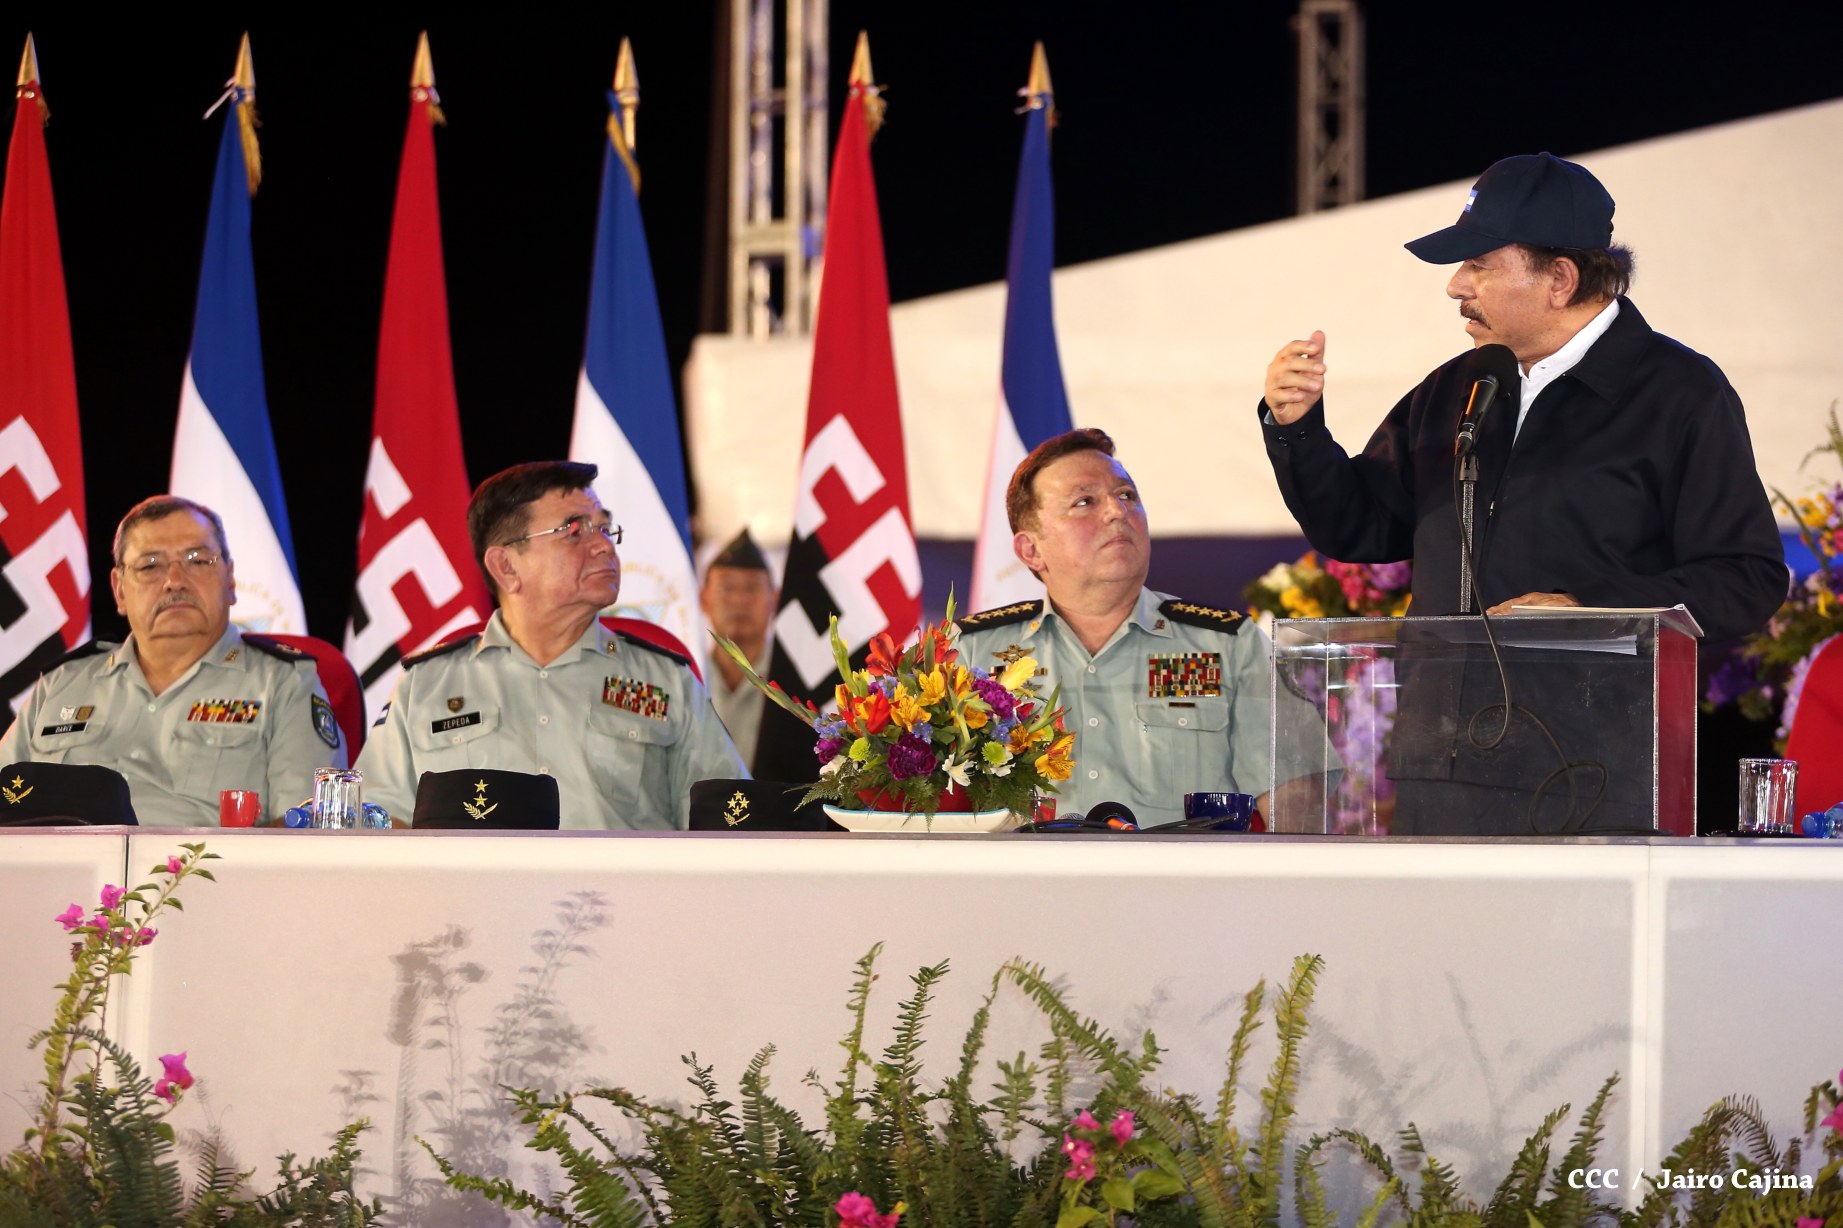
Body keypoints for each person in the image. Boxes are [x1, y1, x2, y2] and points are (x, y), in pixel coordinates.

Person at [1259, 152, 1786, 834]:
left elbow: (1746, 577)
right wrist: (1298, 430)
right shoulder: (1455, 387)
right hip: (1438, 769)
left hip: (1591, 772)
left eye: (1478, 264)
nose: (1455, 285)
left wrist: (1588, 609)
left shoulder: (1679, 393)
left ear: (1559, 279)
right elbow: (1359, 527)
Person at [356, 461, 745, 830]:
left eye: (605, 528)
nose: (604, 546)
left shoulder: (666, 681)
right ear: (506, 566)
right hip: (476, 882)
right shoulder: (425, 685)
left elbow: (731, 820)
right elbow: (375, 820)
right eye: (575, 531)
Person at [955, 428, 1287, 829]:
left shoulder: (1227, 644)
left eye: (1127, 495)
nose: (1117, 511)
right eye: (1084, 502)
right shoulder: (970, 652)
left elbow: (1292, 799)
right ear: (1032, 550)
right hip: (1022, 869)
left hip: (1183, 871)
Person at [0, 495, 345, 825]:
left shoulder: (285, 685)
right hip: (66, 867)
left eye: (198, 560)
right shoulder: (60, 685)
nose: (175, 581)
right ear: (119, 590)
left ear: (231, 579)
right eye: (150, 565)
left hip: (202, 867)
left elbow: (310, 831)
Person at [699, 529, 778, 764]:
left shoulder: (794, 685)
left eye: (752, 588)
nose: (740, 600)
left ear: (774, 600)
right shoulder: (688, 678)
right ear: (703, 599)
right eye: (727, 587)